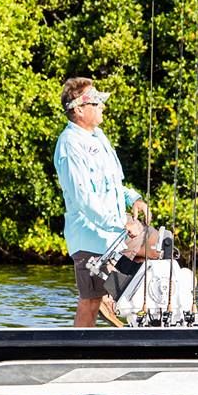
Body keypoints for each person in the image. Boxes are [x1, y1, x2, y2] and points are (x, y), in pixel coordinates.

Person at [52, 76, 148, 327]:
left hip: (113, 233)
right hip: (90, 236)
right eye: (96, 103)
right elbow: (83, 199)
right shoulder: (70, 145)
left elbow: (113, 183)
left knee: (159, 247)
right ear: (79, 109)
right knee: (90, 301)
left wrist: (133, 198)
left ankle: (113, 295)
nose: (102, 107)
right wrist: (120, 222)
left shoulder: (99, 137)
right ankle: (78, 352)